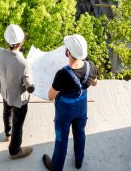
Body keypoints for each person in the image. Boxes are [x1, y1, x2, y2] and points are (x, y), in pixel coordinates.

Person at [42, 34, 98, 171]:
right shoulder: (91, 66)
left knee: (61, 139)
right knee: (80, 133)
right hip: (81, 108)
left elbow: (50, 96)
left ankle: (57, 167)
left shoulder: (62, 74)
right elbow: (95, 83)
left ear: (68, 53)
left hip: (65, 112)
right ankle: (79, 161)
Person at [0, 24, 35, 159]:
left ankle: (7, 133)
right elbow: (30, 87)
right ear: (21, 42)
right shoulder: (24, 63)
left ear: (7, 42)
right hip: (18, 97)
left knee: (7, 111)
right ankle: (14, 150)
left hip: (5, 90)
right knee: (18, 123)